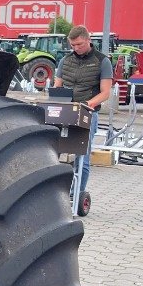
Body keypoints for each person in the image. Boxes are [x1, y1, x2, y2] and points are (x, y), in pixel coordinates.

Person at [52, 25, 113, 204]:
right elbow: (57, 86)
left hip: (87, 113)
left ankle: (77, 193)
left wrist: (89, 104)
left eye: (79, 44)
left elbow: (106, 92)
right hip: (64, 112)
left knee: (82, 157)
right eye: (73, 45)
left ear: (88, 40)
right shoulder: (65, 60)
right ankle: (53, 191)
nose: (76, 48)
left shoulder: (102, 61)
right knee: (53, 151)